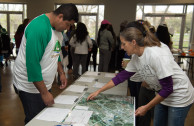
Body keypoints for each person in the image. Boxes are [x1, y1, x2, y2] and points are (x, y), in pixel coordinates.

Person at [87, 20, 194, 126]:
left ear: (133, 42)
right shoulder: (136, 57)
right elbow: (120, 77)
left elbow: (168, 88)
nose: (121, 47)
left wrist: (146, 107)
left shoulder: (155, 54)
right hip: (163, 95)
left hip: (179, 95)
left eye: (124, 44)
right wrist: (99, 91)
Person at [13, 3, 79, 124]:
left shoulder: (58, 30)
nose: (68, 28)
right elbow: (32, 64)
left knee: (43, 117)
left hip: (43, 85)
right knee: (35, 120)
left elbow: (55, 52)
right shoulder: (39, 28)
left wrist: (61, 72)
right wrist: (44, 93)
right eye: (68, 24)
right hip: (29, 88)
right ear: (60, 16)